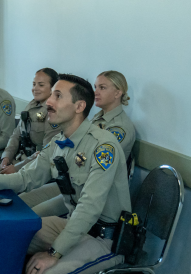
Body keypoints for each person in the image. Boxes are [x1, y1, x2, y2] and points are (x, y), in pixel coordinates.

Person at [0, 75, 131, 274]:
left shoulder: (103, 145)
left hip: (105, 236)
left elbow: (89, 208)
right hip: (76, 225)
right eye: (51, 95)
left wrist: (54, 253)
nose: (49, 102)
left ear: (79, 107)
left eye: (58, 96)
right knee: (13, 238)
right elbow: (27, 177)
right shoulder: (60, 142)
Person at [20, 70, 136, 219]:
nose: (96, 92)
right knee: (23, 200)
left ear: (118, 93)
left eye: (102, 87)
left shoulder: (120, 128)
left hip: (89, 190)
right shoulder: (96, 119)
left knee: (35, 215)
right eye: (95, 87)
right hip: (71, 182)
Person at [0, 68, 61, 174]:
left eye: (41, 85)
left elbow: (46, 152)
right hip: (20, 158)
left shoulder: (53, 112)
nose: (35, 89)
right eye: (34, 84)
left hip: (35, 166)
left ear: (52, 88)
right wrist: (6, 157)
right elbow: (16, 135)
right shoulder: (31, 106)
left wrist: (17, 168)